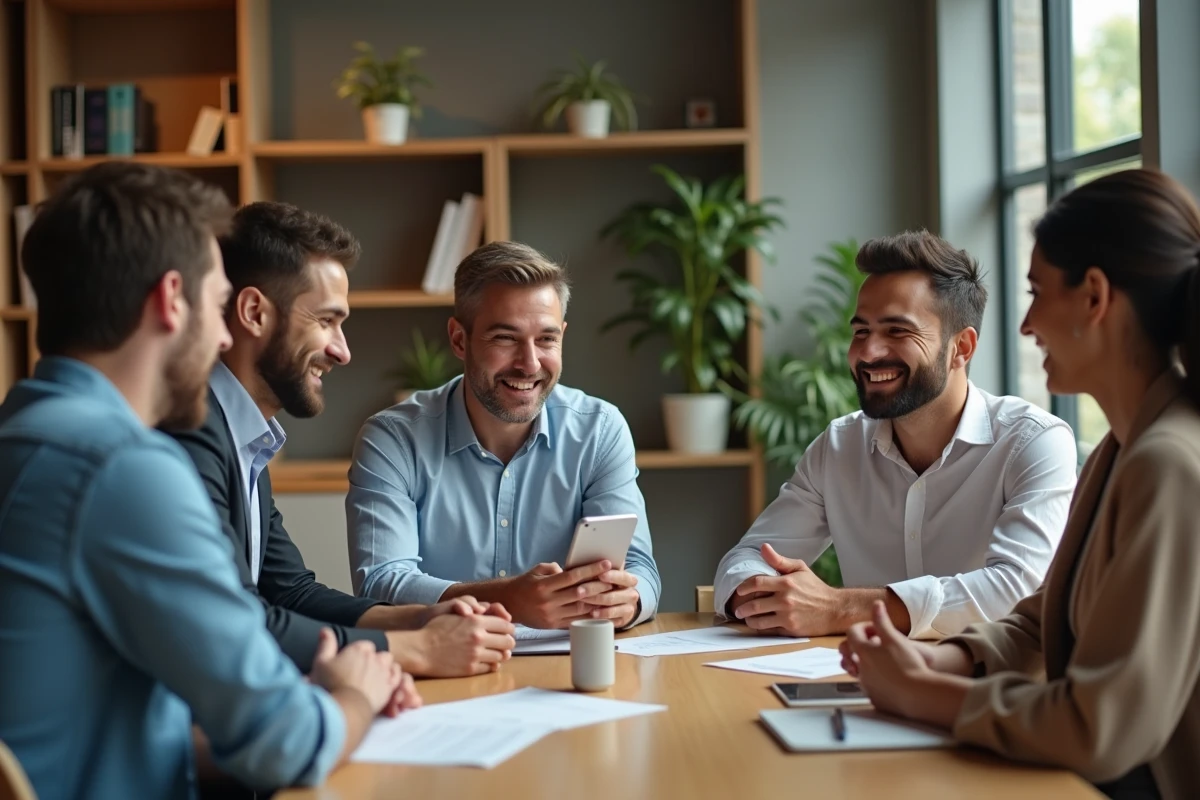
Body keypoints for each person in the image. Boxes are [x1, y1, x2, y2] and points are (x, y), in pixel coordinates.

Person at [0, 163, 415, 799]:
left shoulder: (22, 430)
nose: (224, 336)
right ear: (172, 300)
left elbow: (100, 723)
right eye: (217, 304)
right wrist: (354, 692)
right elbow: (286, 744)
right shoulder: (122, 467)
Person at [840, 169, 1200, 800]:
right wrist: (940, 660)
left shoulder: (1166, 462)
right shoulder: (1121, 447)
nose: (1027, 324)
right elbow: (1043, 619)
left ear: (1094, 296)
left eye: (1037, 293)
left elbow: (1100, 728)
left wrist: (924, 695)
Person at [167, 201, 515, 677]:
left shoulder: (243, 437)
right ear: (253, 313)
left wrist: (421, 618)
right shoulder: (190, 433)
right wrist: (415, 649)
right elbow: (234, 625)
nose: (343, 351)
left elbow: (290, 593)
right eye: (326, 321)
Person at [713, 230, 1077, 638]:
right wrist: (765, 594)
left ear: (962, 347)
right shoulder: (839, 446)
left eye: (898, 331)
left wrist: (839, 608)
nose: (868, 353)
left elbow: (1016, 590)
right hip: (856, 672)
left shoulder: (1034, 442)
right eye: (861, 331)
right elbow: (746, 559)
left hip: (989, 676)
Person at [346, 240, 661, 630]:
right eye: (505, 338)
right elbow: (380, 583)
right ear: (459, 340)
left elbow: (640, 569)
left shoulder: (599, 430)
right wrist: (507, 599)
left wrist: (625, 602)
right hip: (442, 660)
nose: (529, 364)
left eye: (546, 339)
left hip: (570, 659)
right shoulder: (393, 439)